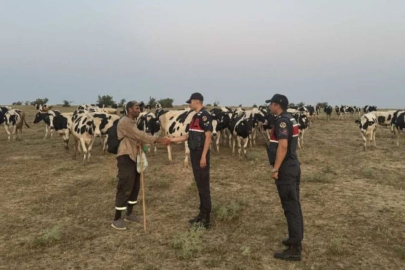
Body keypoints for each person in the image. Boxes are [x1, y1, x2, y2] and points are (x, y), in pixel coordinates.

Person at [111, 101, 170, 231]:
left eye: (139, 108)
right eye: (136, 108)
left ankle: (129, 214)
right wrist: (159, 140)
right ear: (129, 109)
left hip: (134, 156)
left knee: (135, 186)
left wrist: (141, 145)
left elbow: (137, 138)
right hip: (126, 156)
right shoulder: (125, 122)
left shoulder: (133, 122)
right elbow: (139, 135)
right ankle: (117, 219)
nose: (139, 110)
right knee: (125, 185)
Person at [266, 94, 304, 261]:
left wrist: (275, 168)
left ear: (277, 105)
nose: (269, 107)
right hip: (293, 166)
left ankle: (295, 248)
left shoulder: (282, 121)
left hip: (286, 169)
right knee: (294, 205)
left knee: (290, 207)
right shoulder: (291, 118)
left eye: (271, 104)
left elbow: (283, 146)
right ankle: (294, 239)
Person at [168, 93, 213, 229]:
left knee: (204, 186)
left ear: (196, 101)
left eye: (190, 102)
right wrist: (171, 140)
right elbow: (188, 136)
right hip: (194, 153)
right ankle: (201, 214)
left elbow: (208, 137)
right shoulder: (195, 117)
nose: (189, 104)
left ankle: (206, 219)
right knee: (199, 185)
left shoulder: (205, 116)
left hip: (200, 154)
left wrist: (204, 156)